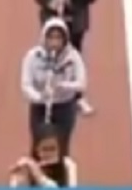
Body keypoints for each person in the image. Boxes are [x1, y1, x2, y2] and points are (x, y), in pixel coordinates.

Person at [34, 0, 96, 116]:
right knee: (49, 59)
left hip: (74, 21)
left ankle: (78, 97)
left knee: (73, 59)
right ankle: (50, 95)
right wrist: (51, 2)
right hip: (53, 22)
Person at [19, 17, 87, 154]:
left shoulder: (73, 57)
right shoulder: (33, 56)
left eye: (58, 38)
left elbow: (82, 84)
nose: (54, 42)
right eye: (51, 38)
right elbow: (25, 84)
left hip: (64, 106)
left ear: (65, 39)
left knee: (61, 145)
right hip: (40, 108)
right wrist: (39, 97)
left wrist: (63, 86)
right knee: (39, 144)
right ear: (45, 38)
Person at [8, 124, 79, 187]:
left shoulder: (69, 165)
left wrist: (36, 172)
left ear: (59, 149)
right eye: (45, 149)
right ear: (37, 150)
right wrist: (15, 179)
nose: (49, 154)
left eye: (52, 149)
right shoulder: (29, 167)